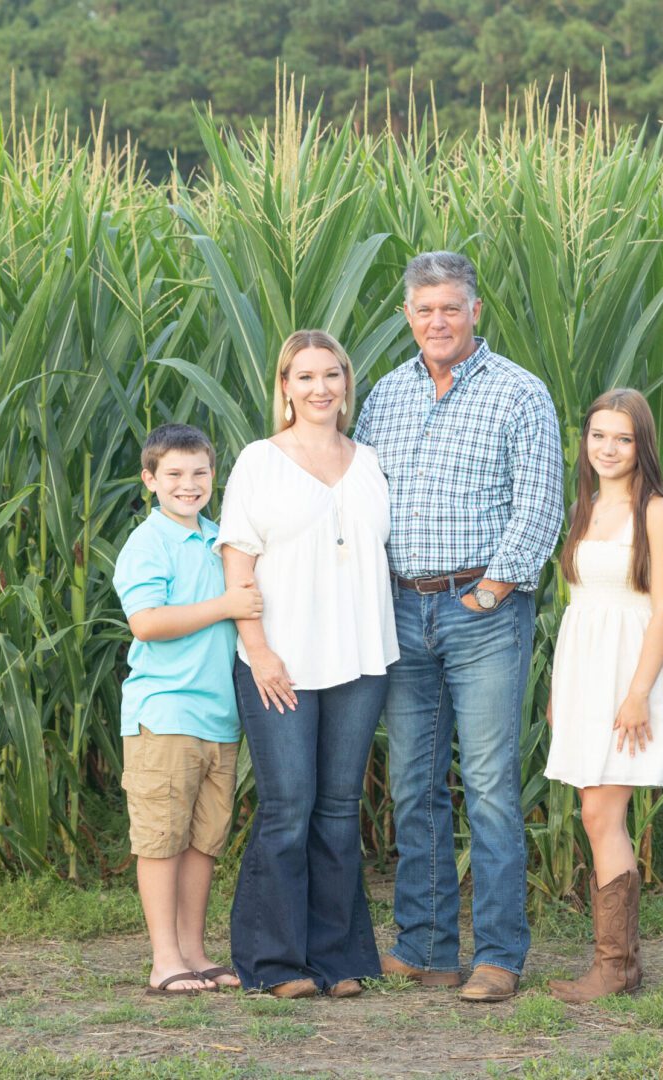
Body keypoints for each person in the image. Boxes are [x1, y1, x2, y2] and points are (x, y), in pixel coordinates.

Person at [353, 251, 563, 1002]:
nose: (436, 321)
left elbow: (538, 503)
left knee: (488, 787)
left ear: (476, 310)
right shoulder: (384, 395)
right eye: (423, 310)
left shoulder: (518, 392)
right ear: (406, 317)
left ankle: (499, 955)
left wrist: (492, 589)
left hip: (482, 613)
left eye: (450, 307)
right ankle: (427, 944)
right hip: (401, 610)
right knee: (413, 784)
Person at [216, 329, 398, 999]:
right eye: (304, 376)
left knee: (337, 812)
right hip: (280, 661)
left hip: (360, 659)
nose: (319, 387)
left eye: (331, 375)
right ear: (284, 387)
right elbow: (237, 560)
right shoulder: (260, 461)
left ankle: (335, 958)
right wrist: (258, 650)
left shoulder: (370, 461)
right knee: (288, 808)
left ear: (346, 384)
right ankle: (273, 964)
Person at [543, 388, 663, 1004]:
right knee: (594, 812)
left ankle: (615, 967)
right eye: (599, 436)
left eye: (623, 439)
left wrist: (637, 694)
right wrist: (560, 689)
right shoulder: (585, 506)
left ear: (642, 445)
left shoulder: (655, 510)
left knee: (603, 814)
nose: (608, 449)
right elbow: (575, 607)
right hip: (585, 669)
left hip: (630, 672)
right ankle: (618, 965)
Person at [113, 423, 263, 996]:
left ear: (213, 476)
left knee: (204, 840)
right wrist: (225, 604)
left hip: (217, 718)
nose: (188, 483)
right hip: (165, 714)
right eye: (173, 474)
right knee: (161, 838)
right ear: (150, 480)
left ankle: (195, 951)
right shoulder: (148, 544)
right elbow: (147, 622)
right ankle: (164, 959)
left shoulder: (218, 538)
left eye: (199, 472)